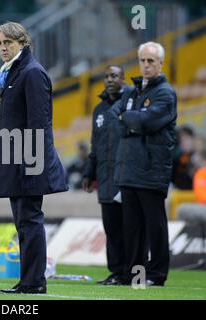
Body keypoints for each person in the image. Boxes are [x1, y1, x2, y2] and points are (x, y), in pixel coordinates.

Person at [0, 22, 68, 294]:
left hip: (27, 160)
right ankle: (28, 280)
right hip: (16, 157)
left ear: (22, 43)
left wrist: (31, 162)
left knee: (30, 219)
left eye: (8, 43)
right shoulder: (15, 73)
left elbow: (39, 122)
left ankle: (34, 282)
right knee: (23, 221)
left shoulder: (32, 73)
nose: (3, 48)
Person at [110, 42, 177, 286]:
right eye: (142, 61)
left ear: (161, 63)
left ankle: (157, 275)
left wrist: (129, 120)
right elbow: (115, 117)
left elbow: (146, 122)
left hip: (151, 170)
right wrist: (132, 121)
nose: (146, 65)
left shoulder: (165, 93)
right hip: (129, 168)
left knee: (154, 226)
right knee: (132, 228)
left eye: (151, 61)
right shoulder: (132, 91)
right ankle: (135, 276)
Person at [82, 65, 128, 285]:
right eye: (107, 76)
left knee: (130, 227)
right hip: (105, 177)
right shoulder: (99, 110)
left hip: (126, 177)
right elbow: (95, 144)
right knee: (111, 227)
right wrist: (89, 172)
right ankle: (117, 272)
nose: (110, 80)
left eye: (115, 76)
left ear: (124, 79)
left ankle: (133, 272)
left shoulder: (129, 104)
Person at [171, 125, 197, 190]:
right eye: (181, 140)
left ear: (193, 138)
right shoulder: (178, 159)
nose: (184, 143)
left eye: (186, 139)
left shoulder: (201, 156)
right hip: (181, 195)